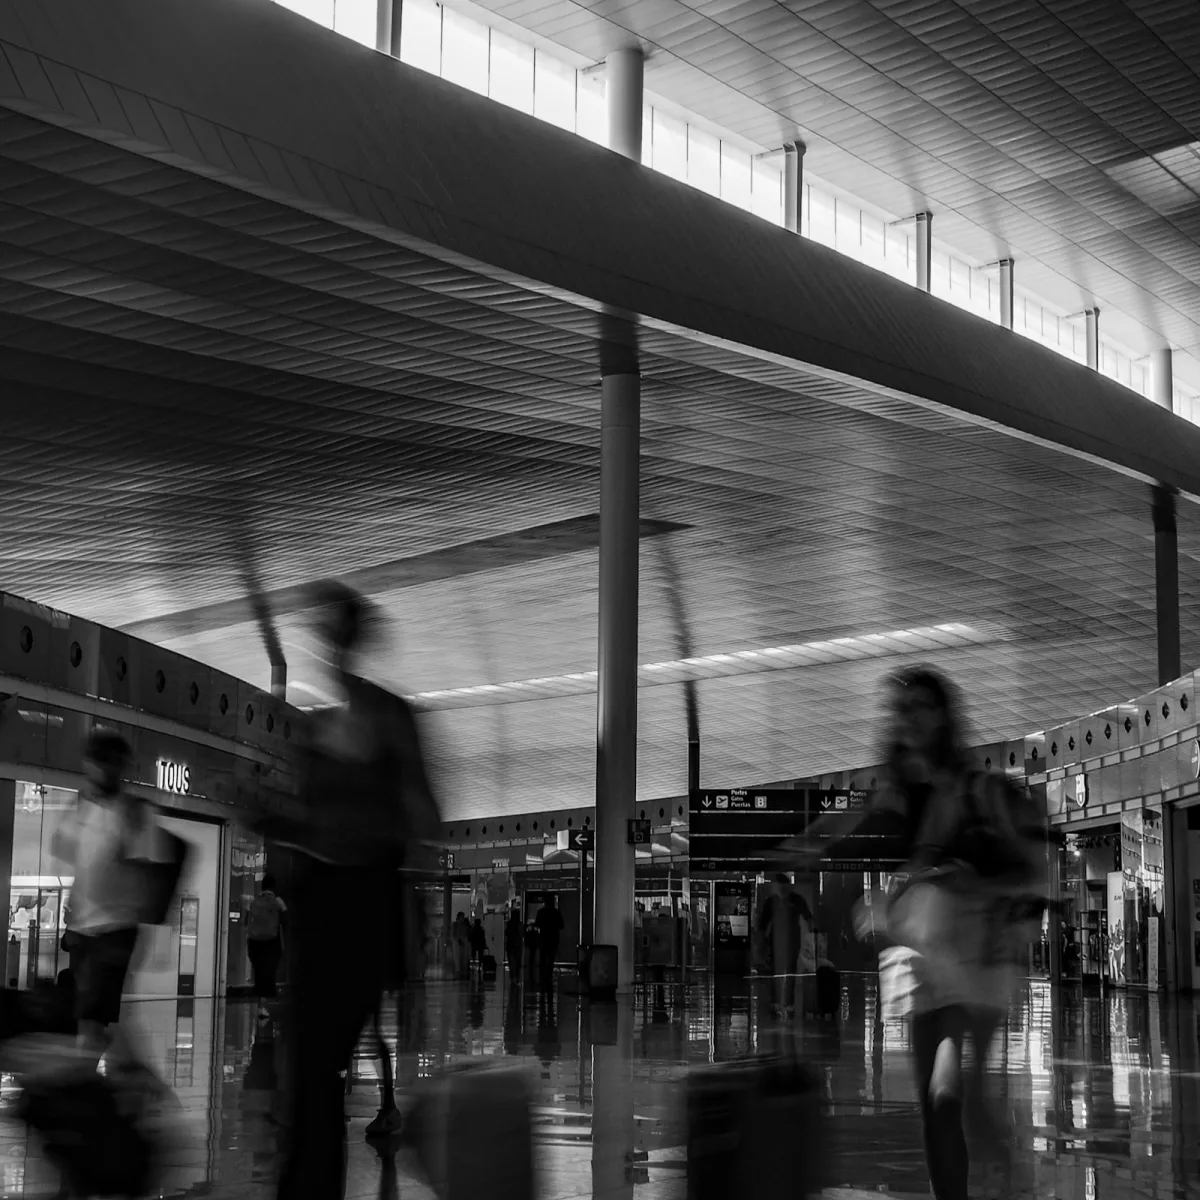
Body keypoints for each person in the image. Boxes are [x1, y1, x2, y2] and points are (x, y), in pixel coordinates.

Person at [788, 667, 1045, 1200]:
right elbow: (867, 821)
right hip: (925, 942)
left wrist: (918, 890)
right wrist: (812, 844)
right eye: (901, 710)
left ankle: (1012, 1182)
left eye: (921, 707)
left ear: (944, 714)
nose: (908, 719)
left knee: (954, 1097)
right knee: (939, 1105)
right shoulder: (903, 781)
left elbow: (987, 863)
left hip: (973, 946)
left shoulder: (963, 785)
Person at [274, 582, 440, 1200]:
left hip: (361, 906)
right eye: (324, 633)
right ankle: (307, 1184)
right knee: (308, 1071)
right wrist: (272, 817)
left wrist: (409, 926)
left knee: (316, 1067)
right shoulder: (317, 729)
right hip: (320, 910)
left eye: (335, 631)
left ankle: (310, 1185)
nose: (328, 646)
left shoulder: (387, 718)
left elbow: (423, 815)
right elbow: (308, 820)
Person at [51, 731, 154, 1073]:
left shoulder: (132, 812)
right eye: (99, 763)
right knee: (90, 1020)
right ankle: (129, 1078)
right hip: (84, 929)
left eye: (113, 764)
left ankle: (86, 1089)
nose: (105, 771)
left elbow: (146, 871)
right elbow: (73, 857)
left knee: (93, 1021)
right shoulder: (83, 807)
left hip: (114, 930)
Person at [757, 874, 809, 1018]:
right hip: (776, 941)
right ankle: (776, 1002)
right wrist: (761, 941)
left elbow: (808, 916)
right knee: (776, 971)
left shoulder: (796, 900)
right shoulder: (772, 902)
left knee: (790, 971)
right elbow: (762, 924)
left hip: (792, 941)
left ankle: (788, 1003)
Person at [246, 875, 287, 1018]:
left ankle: (261, 1005)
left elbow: (246, 922)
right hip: (272, 943)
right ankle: (264, 1006)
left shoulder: (253, 902)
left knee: (259, 973)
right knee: (269, 973)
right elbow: (286, 920)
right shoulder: (278, 902)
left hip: (254, 943)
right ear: (273, 887)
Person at [534, 895, 563, 992]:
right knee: (550, 960)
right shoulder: (556, 912)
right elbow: (561, 925)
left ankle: (542, 978)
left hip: (543, 939)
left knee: (542, 960)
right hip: (553, 939)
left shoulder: (541, 912)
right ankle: (548, 978)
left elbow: (537, 924)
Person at [504, 907, 524, 978]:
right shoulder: (520, 924)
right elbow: (522, 934)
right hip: (517, 944)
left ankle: (512, 976)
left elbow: (506, 933)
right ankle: (517, 976)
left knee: (511, 961)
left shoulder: (509, 924)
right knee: (517, 961)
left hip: (510, 944)